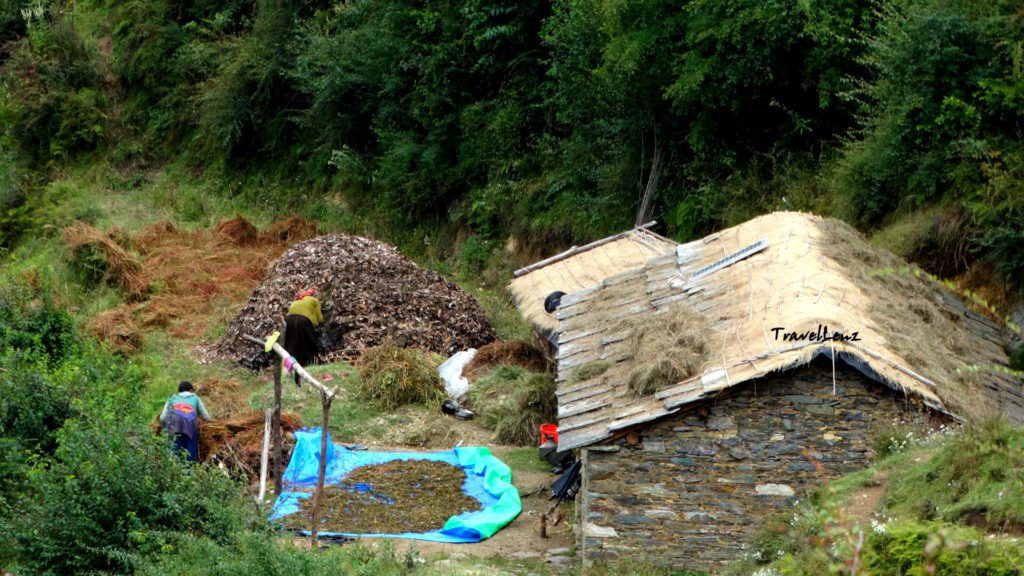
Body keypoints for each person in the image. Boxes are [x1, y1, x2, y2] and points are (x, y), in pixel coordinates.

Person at [159, 381, 212, 462]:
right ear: (190, 390)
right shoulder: (195, 398)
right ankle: (188, 472)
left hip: (173, 425)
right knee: (189, 455)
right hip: (190, 424)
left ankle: (174, 472)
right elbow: (207, 417)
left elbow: (162, 418)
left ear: (179, 391)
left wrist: (165, 428)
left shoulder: (172, 399)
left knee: (173, 455)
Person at [284, 287, 323, 386]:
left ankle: (290, 375)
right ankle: (311, 370)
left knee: (291, 347)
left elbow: (290, 313)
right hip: (304, 321)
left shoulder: (295, 302)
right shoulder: (314, 300)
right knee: (308, 347)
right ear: (312, 295)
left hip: (288, 321)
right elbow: (319, 318)